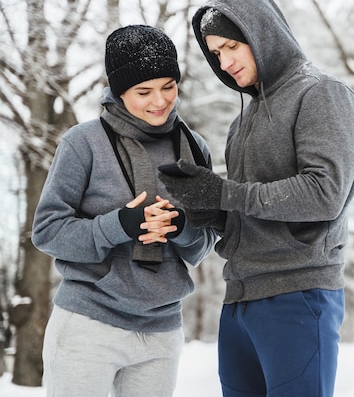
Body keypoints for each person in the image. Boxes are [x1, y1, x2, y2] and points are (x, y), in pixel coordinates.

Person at [159, 0, 354, 397]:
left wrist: (225, 194)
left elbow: (325, 194)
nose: (226, 61)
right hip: (239, 301)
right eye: (216, 53)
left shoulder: (321, 94)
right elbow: (243, 208)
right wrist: (204, 208)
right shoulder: (242, 121)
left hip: (298, 295)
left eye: (233, 45)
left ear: (263, 33)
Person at [32, 24, 219, 397]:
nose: (160, 101)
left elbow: (203, 244)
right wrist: (120, 224)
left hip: (162, 331)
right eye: (143, 91)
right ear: (118, 91)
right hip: (89, 323)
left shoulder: (194, 148)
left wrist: (182, 226)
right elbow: (48, 231)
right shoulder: (83, 143)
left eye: (168, 86)